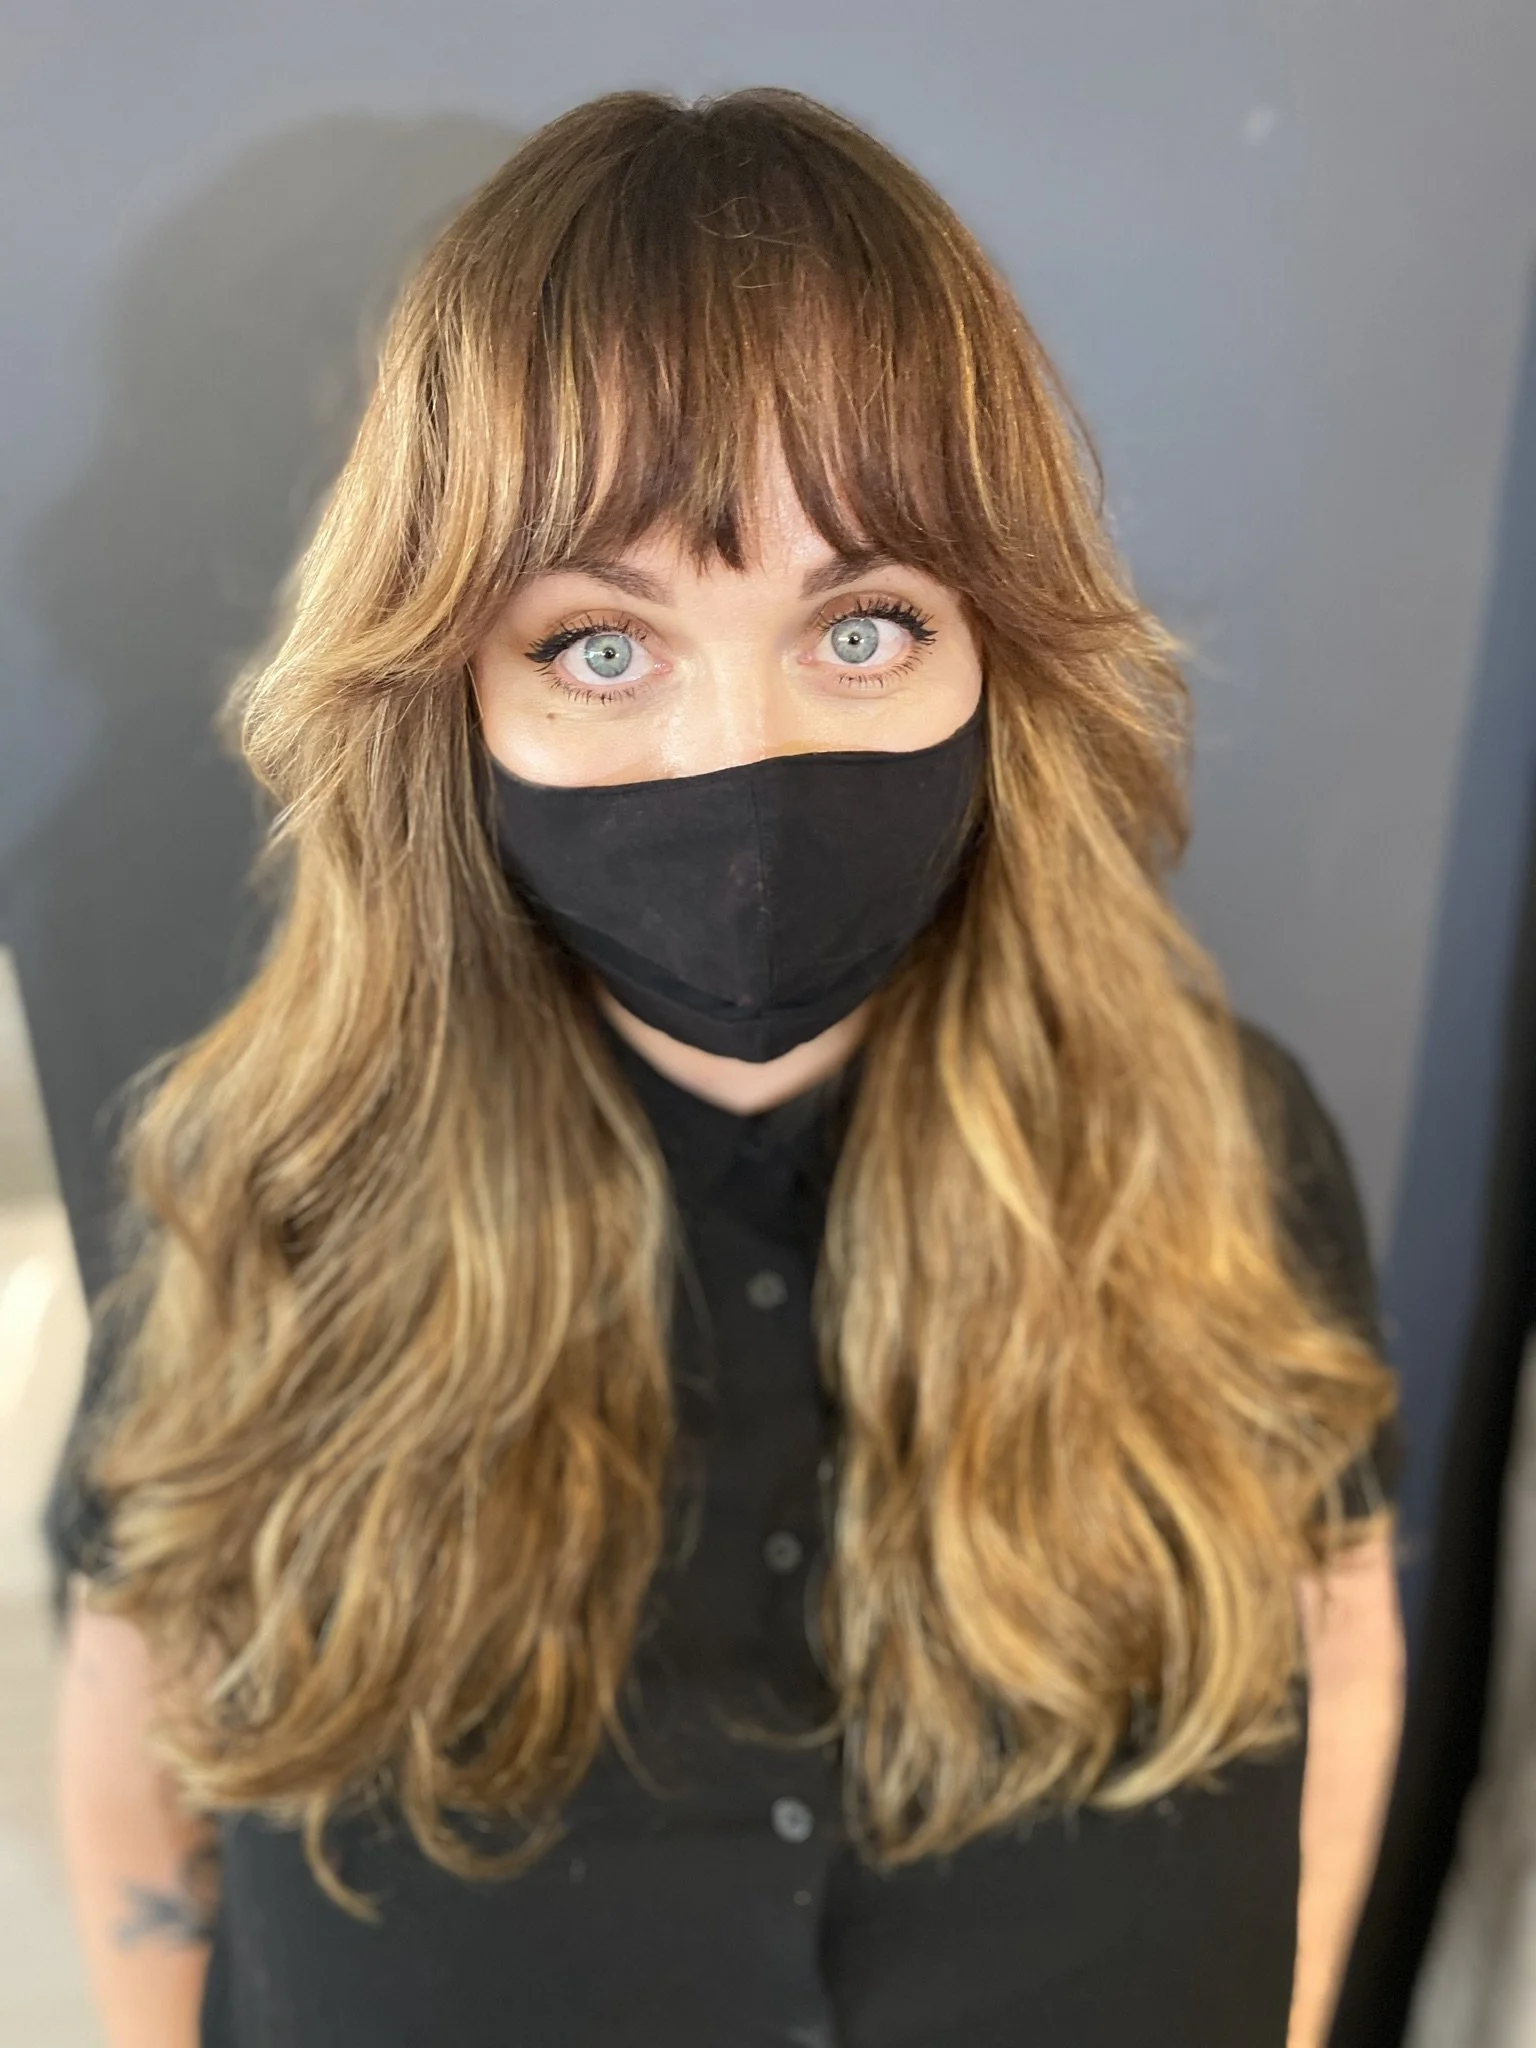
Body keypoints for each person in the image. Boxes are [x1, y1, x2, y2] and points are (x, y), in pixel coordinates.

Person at [46, 85, 1406, 2048]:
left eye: (861, 625)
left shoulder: (1225, 1144)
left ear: (1002, 658)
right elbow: (132, 1697)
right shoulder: (269, 1192)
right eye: (605, 646)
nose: (733, 763)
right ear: (453, 693)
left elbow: (1336, 1635)